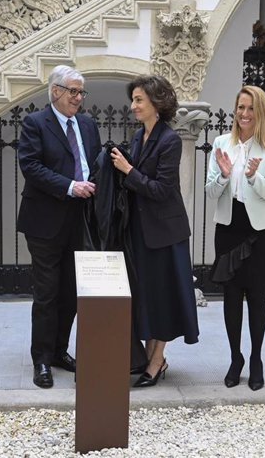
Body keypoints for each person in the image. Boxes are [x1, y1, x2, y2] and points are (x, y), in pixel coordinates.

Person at [110, 75, 199, 387]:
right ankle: (150, 358)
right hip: (141, 232)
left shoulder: (170, 141)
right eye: (133, 100)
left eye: (139, 100)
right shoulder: (138, 137)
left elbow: (161, 190)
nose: (133, 106)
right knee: (147, 296)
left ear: (156, 104)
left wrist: (128, 171)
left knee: (162, 297)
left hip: (165, 234)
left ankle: (157, 360)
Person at [17, 65, 102, 389]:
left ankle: (59, 351)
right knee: (47, 293)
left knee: (71, 292)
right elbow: (31, 166)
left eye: (82, 92)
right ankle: (41, 359)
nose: (79, 98)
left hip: (80, 220)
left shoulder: (88, 124)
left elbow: (93, 163)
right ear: (55, 91)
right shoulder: (35, 123)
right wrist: (70, 186)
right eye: (73, 92)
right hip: (45, 221)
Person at [204, 85, 265, 391]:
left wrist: (253, 176)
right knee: (231, 297)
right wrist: (224, 175)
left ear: (260, 112)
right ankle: (235, 358)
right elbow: (211, 192)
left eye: (250, 108)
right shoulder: (222, 143)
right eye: (240, 107)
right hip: (228, 228)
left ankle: (256, 359)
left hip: (260, 231)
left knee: (257, 297)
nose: (244, 114)